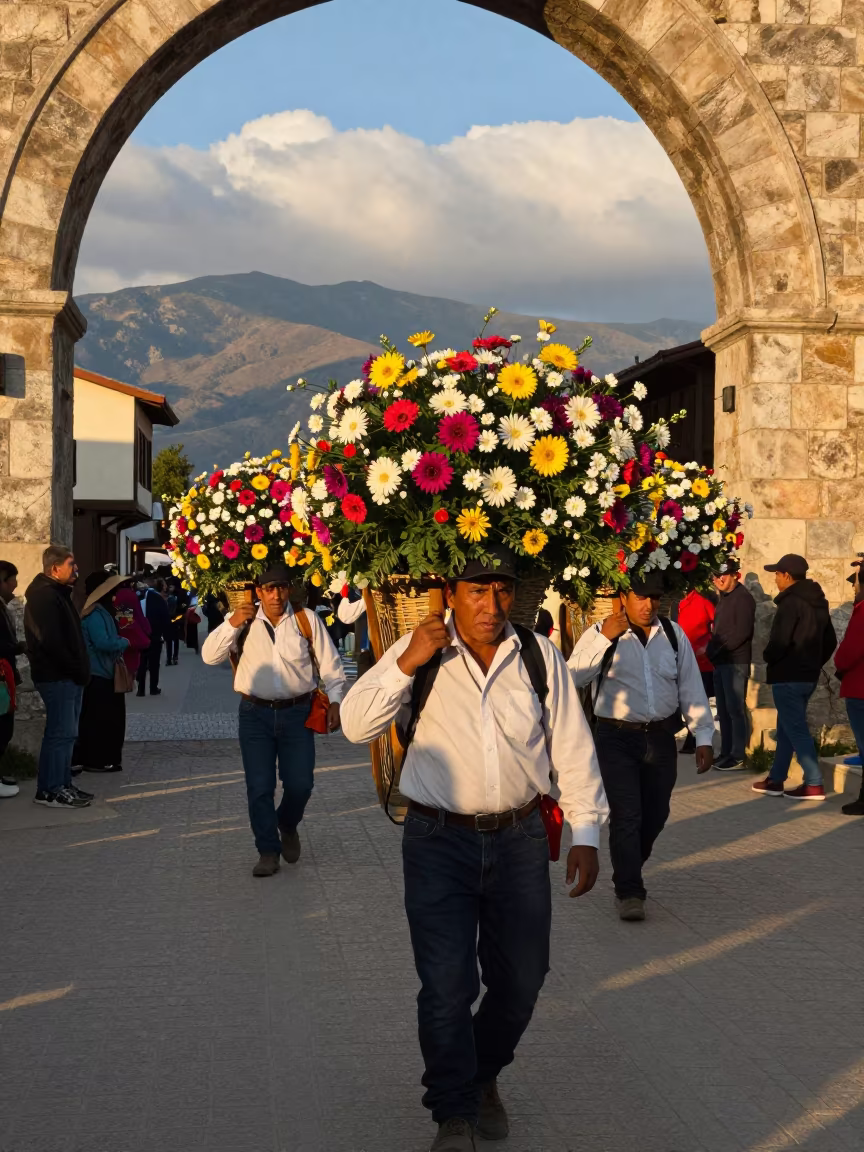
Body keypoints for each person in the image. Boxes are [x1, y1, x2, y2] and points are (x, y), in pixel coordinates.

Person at [340, 549, 607, 1152]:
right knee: (446, 984)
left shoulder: (539, 657)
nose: (491, 605)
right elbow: (354, 724)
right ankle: (453, 1111)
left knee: (524, 978)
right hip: (437, 840)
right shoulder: (421, 653)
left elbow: (572, 745)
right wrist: (406, 662)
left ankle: (482, 1072)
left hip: (519, 838)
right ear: (451, 593)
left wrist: (587, 833)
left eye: (501, 591)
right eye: (476, 590)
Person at [568, 571, 713, 922]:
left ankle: (627, 864)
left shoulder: (673, 636)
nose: (648, 605)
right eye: (640, 596)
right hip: (615, 737)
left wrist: (703, 735)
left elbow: (690, 687)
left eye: (655, 598)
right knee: (627, 815)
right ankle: (630, 890)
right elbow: (571, 675)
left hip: (661, 737)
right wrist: (604, 637)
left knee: (656, 814)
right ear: (623, 596)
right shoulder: (602, 633)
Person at [201, 567, 345, 878]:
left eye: (281, 588)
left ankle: (287, 823)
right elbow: (209, 657)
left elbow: (331, 665)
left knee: (301, 784)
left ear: (289, 589)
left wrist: (336, 701)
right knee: (259, 787)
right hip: (255, 715)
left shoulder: (306, 619)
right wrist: (232, 622)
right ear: (258, 591)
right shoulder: (245, 621)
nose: (276, 595)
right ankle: (268, 850)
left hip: (298, 713)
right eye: (269, 589)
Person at [752, 553, 837, 801]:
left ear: (787, 576)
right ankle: (776, 779)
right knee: (787, 728)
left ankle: (813, 782)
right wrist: (812, 663)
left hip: (788, 677)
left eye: (777, 574)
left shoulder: (790, 603)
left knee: (796, 729)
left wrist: (769, 656)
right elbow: (830, 640)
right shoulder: (819, 602)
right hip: (807, 677)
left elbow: (780, 641)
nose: (776, 579)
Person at [24, 545, 93, 809]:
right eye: (71, 564)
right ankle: (50, 790)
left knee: (67, 735)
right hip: (58, 677)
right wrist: (75, 669)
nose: (76, 569)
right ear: (55, 568)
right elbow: (52, 642)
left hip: (68, 677)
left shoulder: (57, 594)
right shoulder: (44, 597)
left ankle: (63, 784)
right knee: (59, 734)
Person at [75, 572, 130, 773]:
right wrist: (123, 642)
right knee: (101, 721)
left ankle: (104, 758)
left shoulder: (99, 611)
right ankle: (97, 760)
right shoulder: (96, 614)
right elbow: (103, 643)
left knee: (107, 719)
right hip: (99, 675)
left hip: (104, 674)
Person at [706, 558, 756, 771]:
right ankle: (726, 752)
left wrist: (716, 651)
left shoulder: (743, 598)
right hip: (721, 662)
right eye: (715, 576)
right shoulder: (724, 597)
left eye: (723, 575)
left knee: (735, 709)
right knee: (724, 711)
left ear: (736, 574)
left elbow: (741, 633)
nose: (719, 579)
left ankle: (738, 755)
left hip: (735, 662)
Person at [835, 558, 864, 815]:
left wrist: (838, 663)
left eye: (856, 579)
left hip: (860, 688)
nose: (854, 585)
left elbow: (850, 651)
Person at [676, 584, 716, 754]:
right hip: (691, 658)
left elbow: (716, 625)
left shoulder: (700, 601)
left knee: (697, 700)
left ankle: (695, 740)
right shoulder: (684, 603)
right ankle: (693, 739)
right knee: (691, 700)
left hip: (700, 660)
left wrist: (708, 647)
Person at [137, 575, 171, 696]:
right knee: (154, 663)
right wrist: (166, 636)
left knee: (141, 662)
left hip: (141, 634)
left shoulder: (138, 596)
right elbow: (166, 619)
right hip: (155, 635)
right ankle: (153, 687)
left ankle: (140, 689)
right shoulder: (159, 599)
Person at [113, 583, 151, 678]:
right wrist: (146, 629)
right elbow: (138, 614)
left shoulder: (116, 595)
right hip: (131, 633)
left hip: (119, 631)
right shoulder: (130, 595)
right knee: (131, 664)